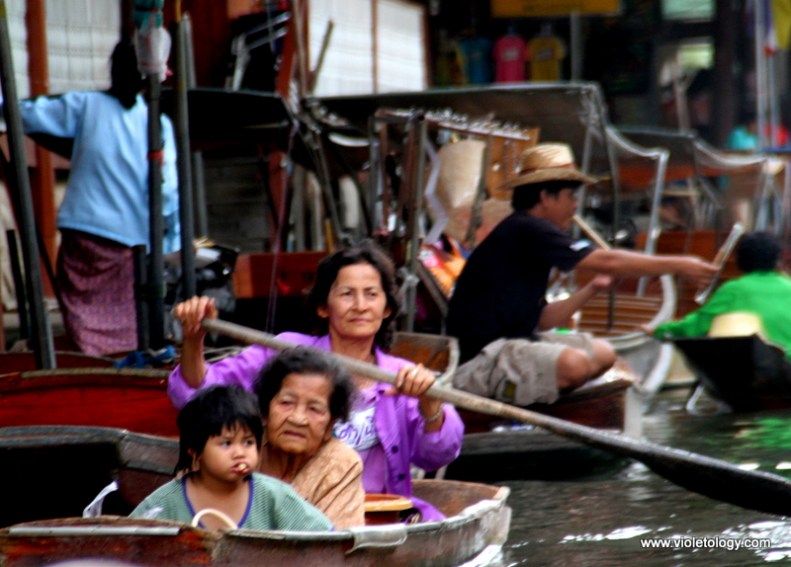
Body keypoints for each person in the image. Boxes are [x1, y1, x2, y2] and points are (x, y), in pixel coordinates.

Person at [168, 240, 464, 521]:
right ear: (324, 306)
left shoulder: (403, 376)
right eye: (347, 294)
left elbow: (437, 457)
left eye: (371, 294)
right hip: (291, 512)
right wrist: (194, 340)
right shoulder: (286, 354)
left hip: (378, 516)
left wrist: (430, 404)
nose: (360, 305)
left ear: (386, 309)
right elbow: (194, 396)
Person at [446, 142, 718, 407]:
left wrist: (591, 290)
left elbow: (541, 320)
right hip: (482, 358)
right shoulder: (527, 228)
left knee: (604, 354)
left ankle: (546, 398)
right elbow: (608, 260)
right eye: (571, 196)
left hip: (516, 343)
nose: (576, 206)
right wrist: (680, 265)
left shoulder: (531, 234)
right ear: (545, 197)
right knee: (574, 366)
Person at [18, 40, 179, 355]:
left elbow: (22, 113)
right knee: (134, 325)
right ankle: (123, 366)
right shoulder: (157, 124)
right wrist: (172, 241)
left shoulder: (86, 104)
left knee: (84, 310)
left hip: (85, 233)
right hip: (132, 242)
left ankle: (95, 363)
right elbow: (168, 192)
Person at [130, 385, 332, 532]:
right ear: (195, 451)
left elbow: (327, 540)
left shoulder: (275, 497)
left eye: (248, 442)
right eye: (226, 443)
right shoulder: (164, 503)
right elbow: (123, 547)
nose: (240, 453)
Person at [254, 347, 365, 528]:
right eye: (286, 403)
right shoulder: (244, 446)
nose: (298, 419)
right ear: (266, 411)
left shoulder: (342, 464)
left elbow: (335, 546)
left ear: (331, 424)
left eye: (314, 409)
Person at [648, 231, 791, 358]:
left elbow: (697, 325)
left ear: (739, 260)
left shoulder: (734, 290)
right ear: (777, 260)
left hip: (764, 371)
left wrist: (660, 330)